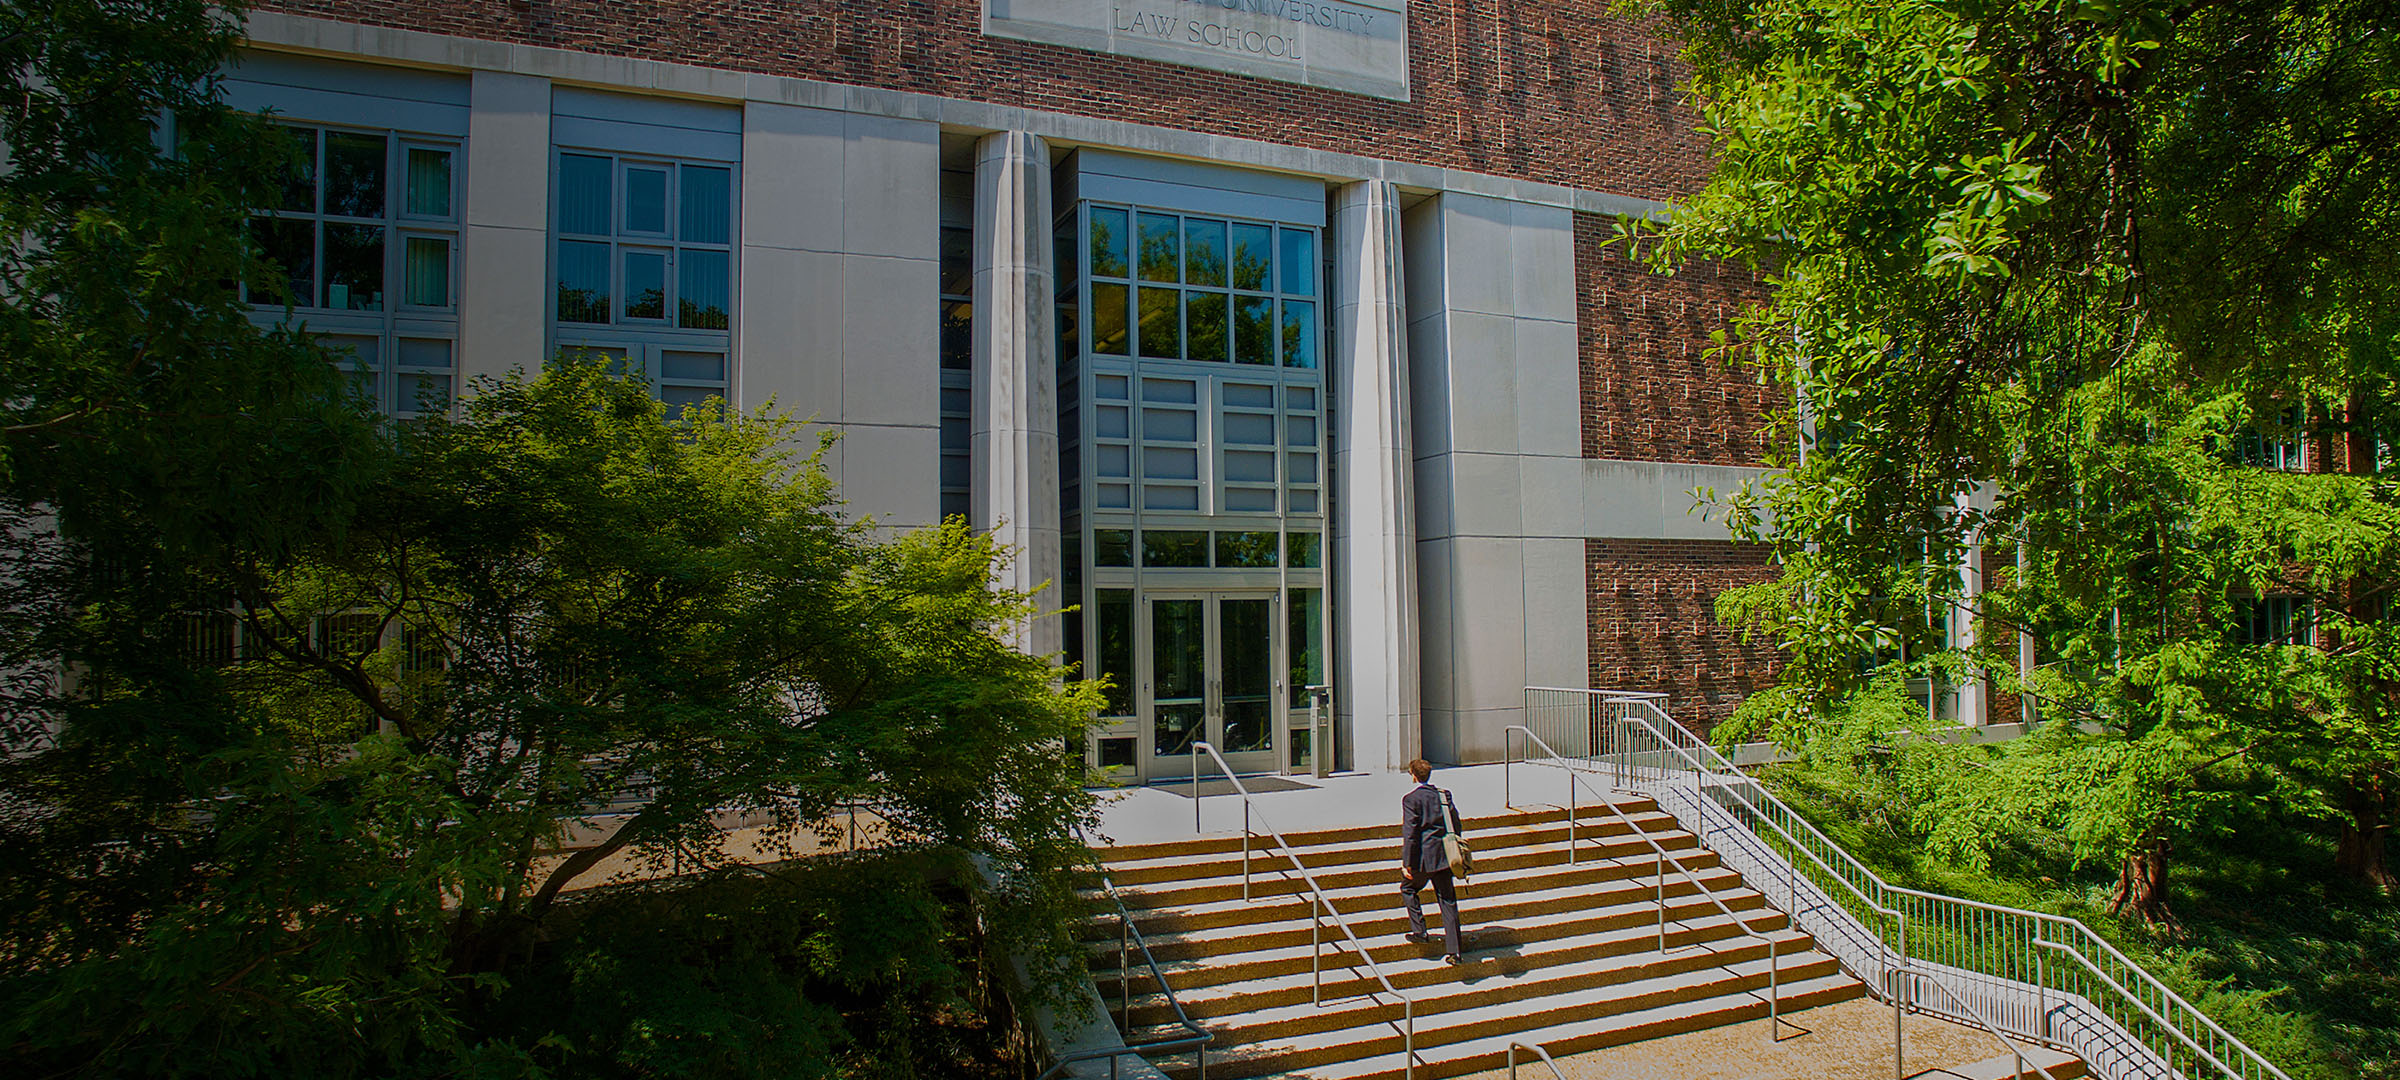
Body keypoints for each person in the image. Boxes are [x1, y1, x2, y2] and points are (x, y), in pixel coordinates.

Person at [1398, 758, 1464, 965]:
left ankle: (1420, 931)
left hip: (1424, 858)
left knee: (1408, 888)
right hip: (1444, 856)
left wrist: (1407, 862)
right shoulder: (1444, 795)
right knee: (1448, 900)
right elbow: (1455, 823)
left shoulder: (1411, 800)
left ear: (1413, 775)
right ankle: (1455, 952)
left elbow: (1410, 833)